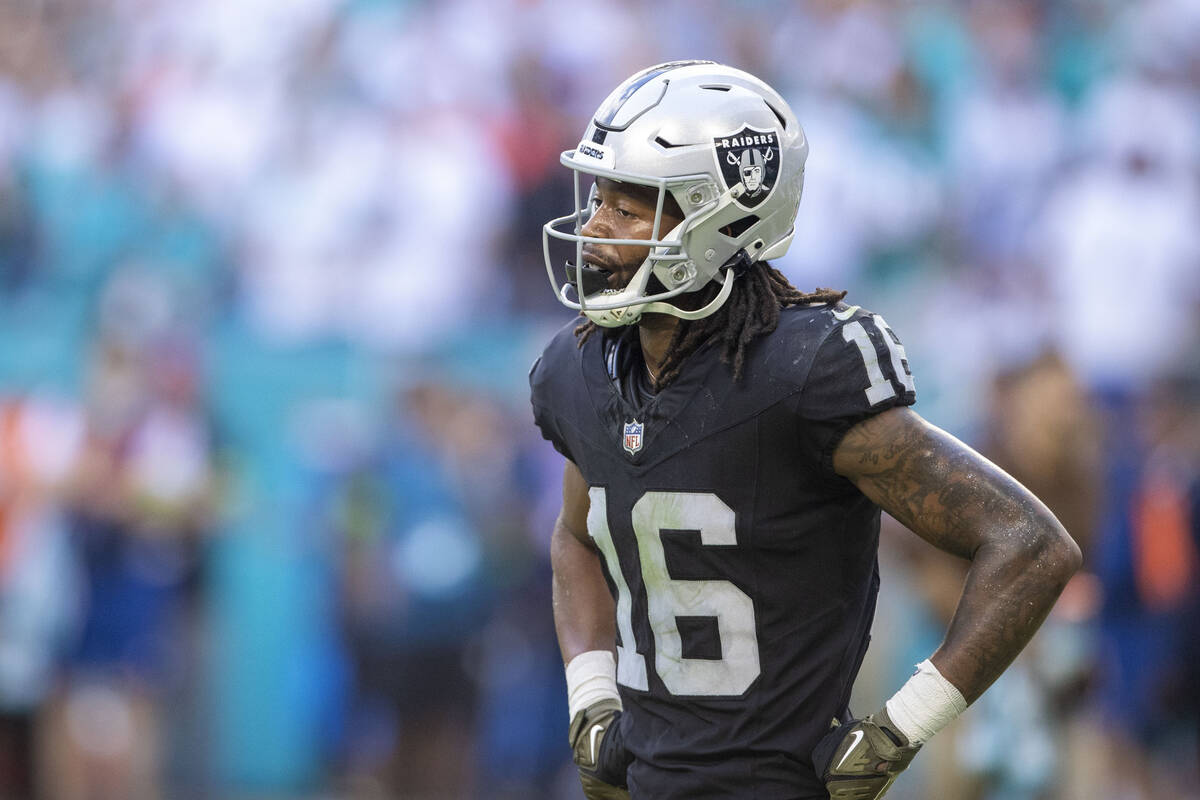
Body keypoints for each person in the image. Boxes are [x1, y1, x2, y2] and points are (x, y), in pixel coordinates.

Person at [530, 61, 1081, 800]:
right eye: (598, 199)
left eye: (630, 210)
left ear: (719, 220)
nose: (595, 230)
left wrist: (898, 730)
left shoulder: (800, 371)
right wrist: (592, 698)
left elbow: (1030, 544)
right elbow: (576, 531)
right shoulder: (582, 371)